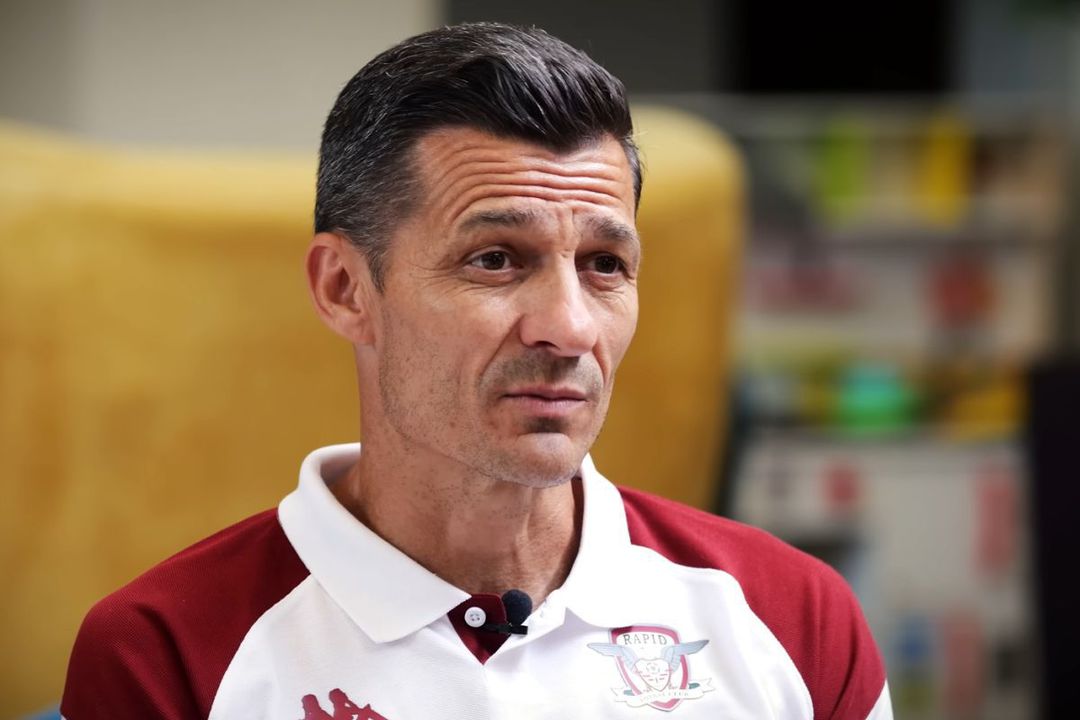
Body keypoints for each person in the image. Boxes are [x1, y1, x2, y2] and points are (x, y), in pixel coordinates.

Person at [61, 22, 892, 719]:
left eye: (604, 264)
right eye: (495, 259)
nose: (569, 327)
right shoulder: (166, 655)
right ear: (345, 288)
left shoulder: (793, 620)